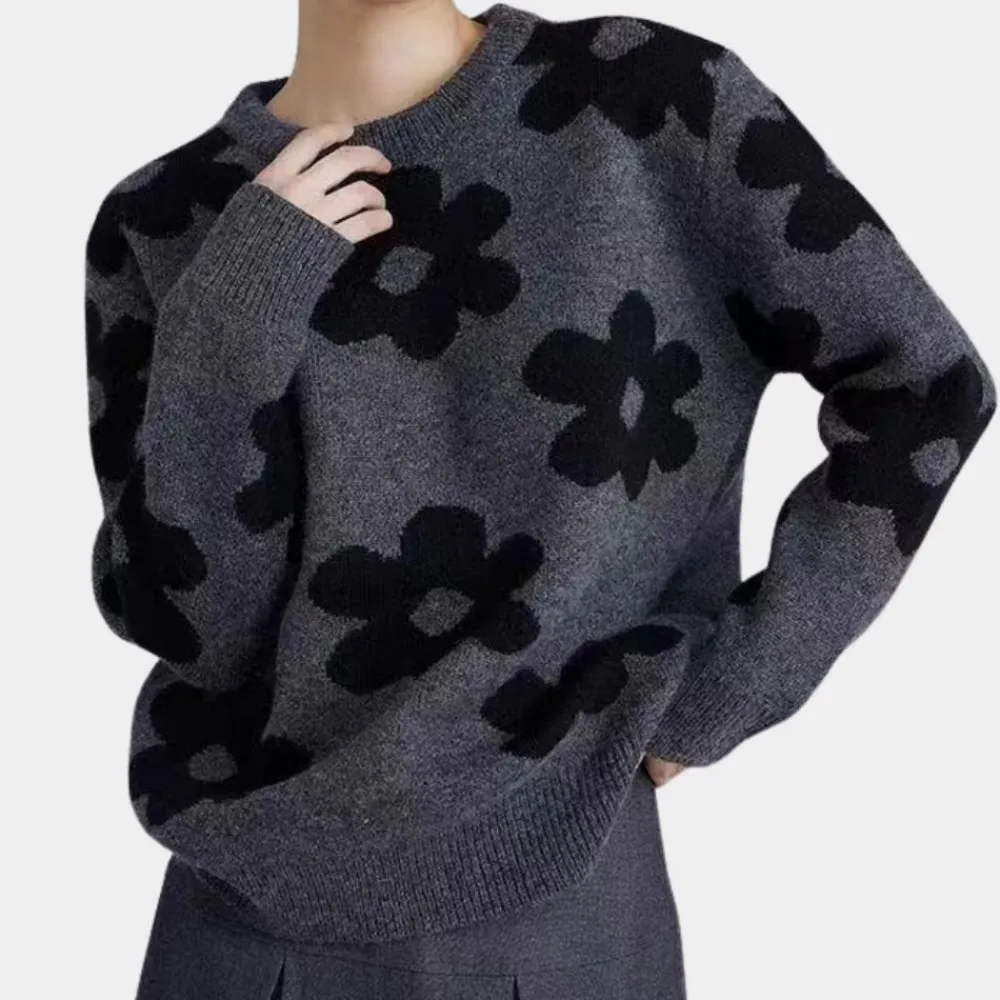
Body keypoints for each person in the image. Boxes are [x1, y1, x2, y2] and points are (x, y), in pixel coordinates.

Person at [82, 1, 995, 997]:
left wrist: (734, 684)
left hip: (556, 883)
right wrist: (229, 327)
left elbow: (926, 385)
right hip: (236, 922)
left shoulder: (652, 106)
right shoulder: (162, 218)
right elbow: (199, 628)